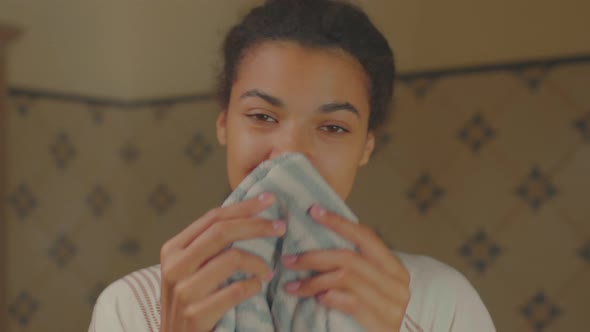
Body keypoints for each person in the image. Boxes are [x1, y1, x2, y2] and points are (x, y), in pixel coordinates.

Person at [89, 0, 496, 331]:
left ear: (366, 146)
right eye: (262, 116)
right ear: (223, 125)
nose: (290, 155)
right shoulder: (133, 307)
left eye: (333, 127)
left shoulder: (442, 302)